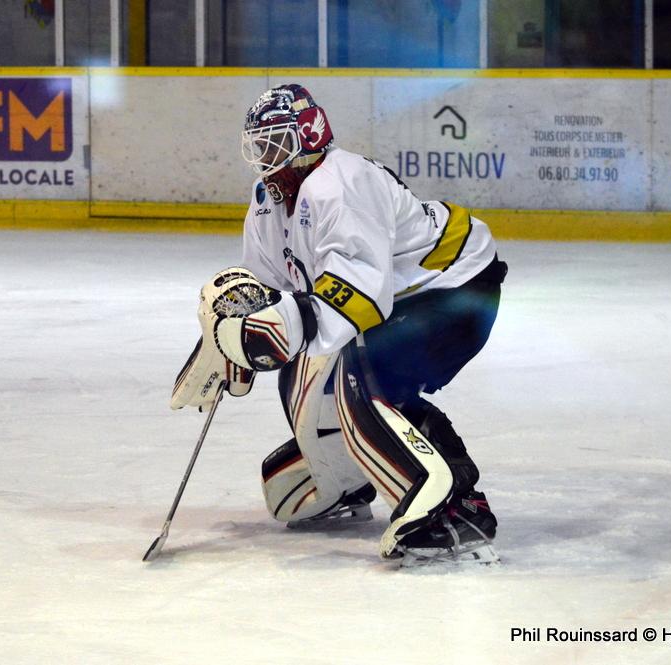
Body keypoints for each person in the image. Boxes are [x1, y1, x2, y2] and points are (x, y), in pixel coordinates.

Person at [171, 84, 507, 565]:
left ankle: (455, 507)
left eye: (276, 145)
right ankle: (349, 477)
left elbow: (361, 294)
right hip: (400, 298)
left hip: (456, 288)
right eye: (259, 147)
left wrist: (276, 330)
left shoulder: (339, 184)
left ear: (309, 135)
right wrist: (230, 341)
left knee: (366, 373)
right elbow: (271, 292)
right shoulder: (267, 202)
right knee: (306, 370)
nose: (266, 159)